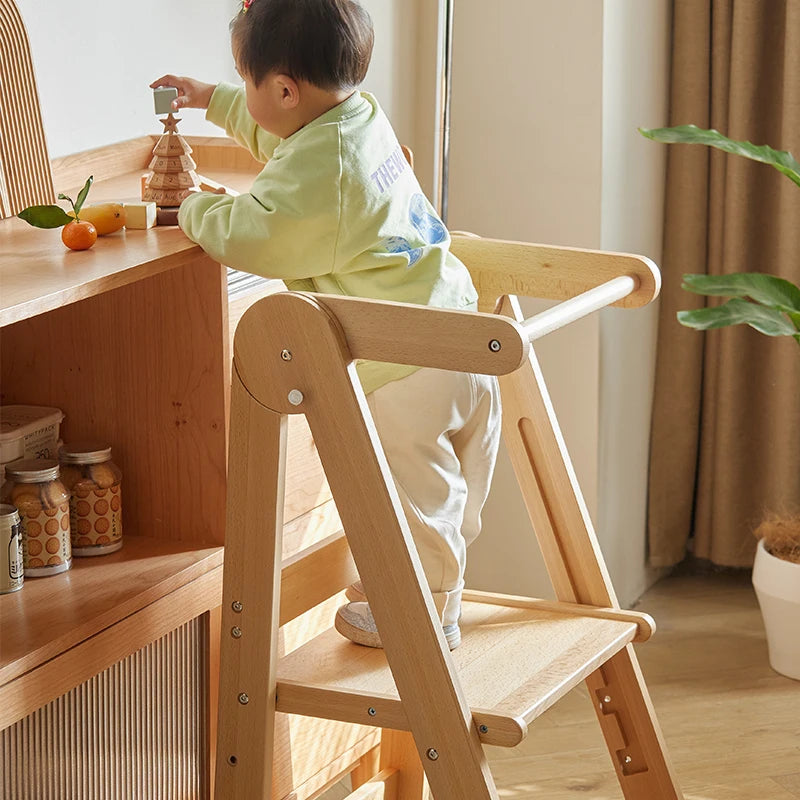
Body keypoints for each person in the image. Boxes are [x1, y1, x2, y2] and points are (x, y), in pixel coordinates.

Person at [151, 0, 500, 650]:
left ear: (283, 87)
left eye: (244, 79)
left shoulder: (323, 176)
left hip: (405, 364)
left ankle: (425, 615)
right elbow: (286, 139)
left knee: (412, 496)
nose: (245, 92)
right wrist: (215, 100)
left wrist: (193, 205)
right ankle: (436, 589)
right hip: (459, 326)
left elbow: (258, 234)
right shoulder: (357, 118)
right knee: (452, 494)